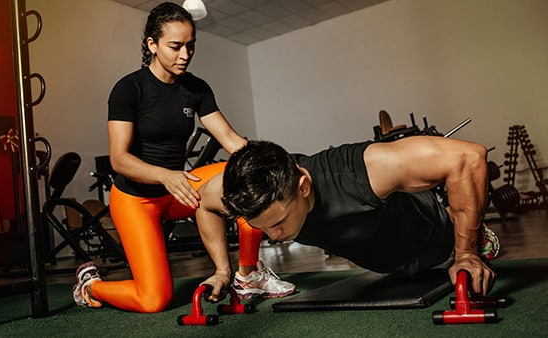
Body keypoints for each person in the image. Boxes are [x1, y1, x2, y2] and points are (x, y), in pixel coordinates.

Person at [72, 2, 293, 313]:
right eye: (175, 46)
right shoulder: (129, 89)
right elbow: (119, 159)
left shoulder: (196, 89)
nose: (185, 54)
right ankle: (90, 285)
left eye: (191, 46)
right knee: (154, 300)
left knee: (246, 175)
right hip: (138, 199)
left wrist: (275, 162)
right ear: (152, 44)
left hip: (181, 189)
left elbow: (230, 140)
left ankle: (248, 274)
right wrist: (165, 175)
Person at [195, 136, 499, 302]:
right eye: (263, 227)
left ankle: (478, 237)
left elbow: (469, 158)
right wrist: (223, 271)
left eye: (279, 223)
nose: (274, 236)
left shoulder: (361, 171)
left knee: (457, 242)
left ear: (303, 187)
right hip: (385, 265)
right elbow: (203, 204)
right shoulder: (245, 190)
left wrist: (467, 253)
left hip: (435, 238)